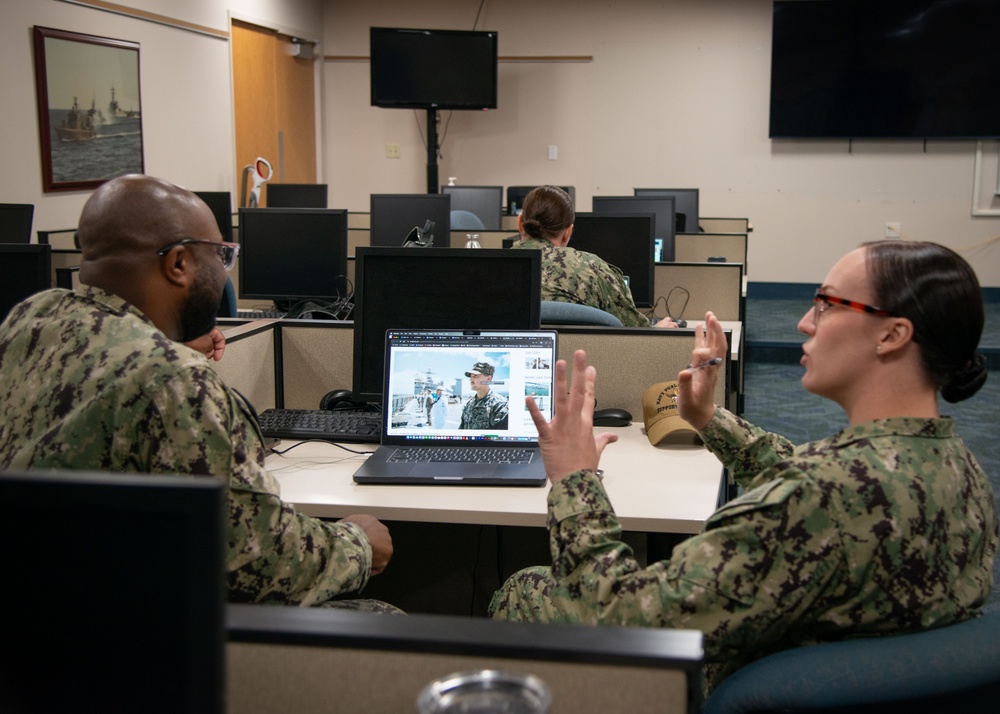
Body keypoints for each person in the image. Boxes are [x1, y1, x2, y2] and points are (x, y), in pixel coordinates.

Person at [489, 240, 998, 694]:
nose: (803, 322)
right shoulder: (958, 468)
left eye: (826, 305)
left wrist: (576, 479)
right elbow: (809, 476)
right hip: (814, 665)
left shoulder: (818, 499)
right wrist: (708, 418)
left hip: (712, 681)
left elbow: (616, 613)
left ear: (891, 335)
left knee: (527, 589)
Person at [0, 174, 398, 611]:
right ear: (178, 263)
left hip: (39, 625)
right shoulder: (172, 378)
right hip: (139, 648)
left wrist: (163, 346)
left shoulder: (28, 320)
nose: (225, 270)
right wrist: (357, 542)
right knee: (385, 618)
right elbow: (258, 567)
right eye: (222, 256)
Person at [510, 185, 678, 328]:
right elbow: (635, 335)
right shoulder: (593, 269)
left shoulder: (489, 267)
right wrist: (659, 330)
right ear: (568, 231)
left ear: (520, 223)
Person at [459, 361, 509, 430]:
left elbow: (498, 437)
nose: (471, 379)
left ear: (488, 379)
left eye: (475, 376)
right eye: (471, 376)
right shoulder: (469, 403)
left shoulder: (499, 405)